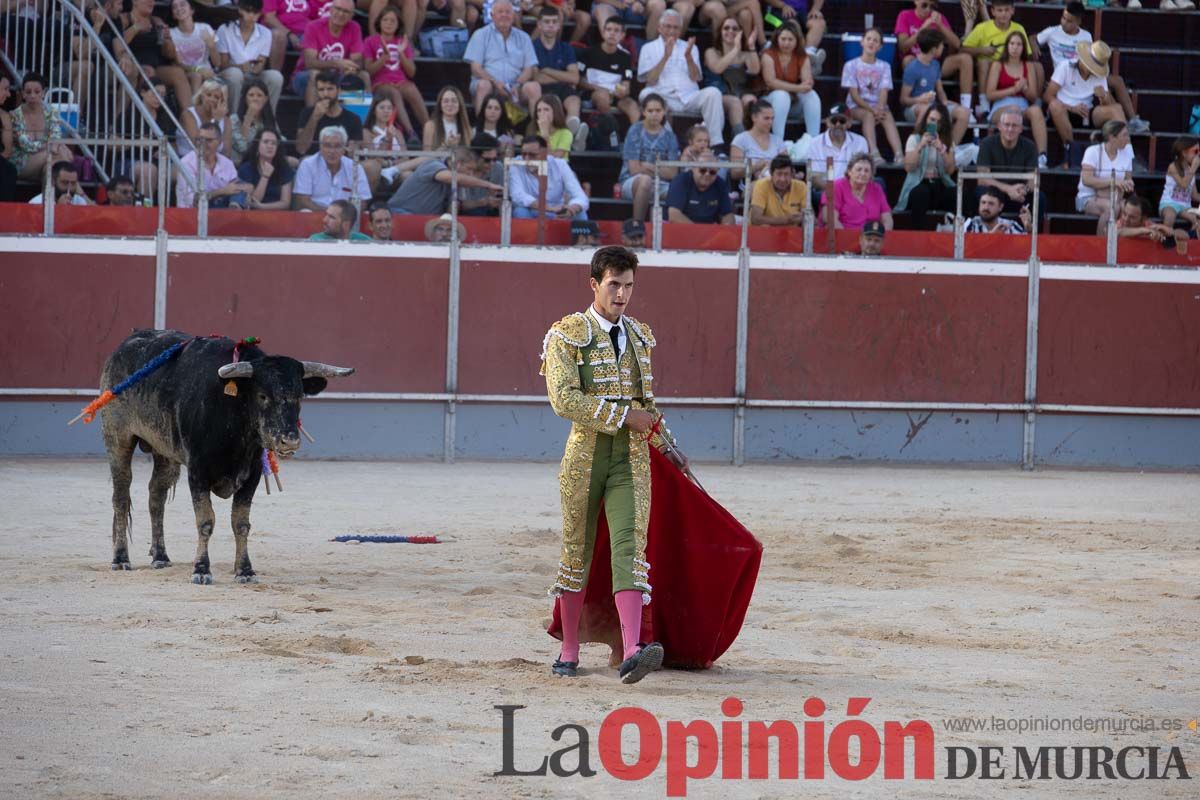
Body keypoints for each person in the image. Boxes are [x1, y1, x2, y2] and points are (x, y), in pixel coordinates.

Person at [540, 244, 685, 683]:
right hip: (585, 457)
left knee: (629, 549)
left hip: (631, 458)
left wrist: (667, 444)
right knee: (576, 551)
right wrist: (624, 416)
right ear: (594, 284)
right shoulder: (567, 334)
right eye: (614, 285)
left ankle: (633, 649)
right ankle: (568, 650)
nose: (621, 294)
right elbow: (563, 400)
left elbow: (648, 404)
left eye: (628, 287)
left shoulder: (641, 336)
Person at [1035, 2, 1148, 134]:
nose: (1064, 22)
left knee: (1116, 89)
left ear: (1078, 21)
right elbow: (1033, 38)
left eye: (1069, 20)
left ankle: (1130, 128)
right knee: (1056, 102)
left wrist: (1104, 97)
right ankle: (1071, 147)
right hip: (1064, 75)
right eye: (1063, 18)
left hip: (1087, 95)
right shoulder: (1053, 32)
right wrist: (1033, 50)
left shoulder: (1086, 36)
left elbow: (1093, 57)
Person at [637, 10, 726, 147]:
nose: (672, 31)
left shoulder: (691, 47)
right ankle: (669, 144)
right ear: (659, 28)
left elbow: (696, 77)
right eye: (668, 26)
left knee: (713, 93)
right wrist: (665, 56)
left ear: (680, 30)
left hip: (689, 97)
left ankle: (716, 145)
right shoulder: (648, 48)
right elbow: (650, 80)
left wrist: (689, 57)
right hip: (663, 97)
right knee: (646, 94)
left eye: (676, 27)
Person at [1045, 40, 1124, 169]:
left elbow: (1107, 105)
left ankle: (1125, 154)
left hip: (1087, 113)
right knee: (1055, 106)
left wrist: (1103, 96)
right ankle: (1071, 152)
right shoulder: (1065, 66)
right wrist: (1072, 108)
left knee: (1116, 109)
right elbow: (1048, 95)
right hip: (1063, 110)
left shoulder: (1099, 74)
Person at [960, 0, 1041, 121]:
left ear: (1012, 11)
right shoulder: (982, 27)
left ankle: (1036, 104)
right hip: (990, 65)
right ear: (992, 11)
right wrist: (982, 50)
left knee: (1037, 67)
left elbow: (1027, 54)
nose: (1003, 14)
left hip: (1012, 65)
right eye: (1000, 10)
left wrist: (1032, 41)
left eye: (1007, 10)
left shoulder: (1018, 28)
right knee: (983, 62)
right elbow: (963, 49)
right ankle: (984, 105)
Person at [895, 0, 973, 114]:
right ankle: (912, 105)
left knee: (965, 58)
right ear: (916, 2)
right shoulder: (905, 15)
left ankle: (967, 107)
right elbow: (903, 47)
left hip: (935, 64)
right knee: (908, 60)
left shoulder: (938, 17)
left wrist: (940, 25)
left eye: (932, 6)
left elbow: (957, 44)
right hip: (916, 64)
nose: (928, 9)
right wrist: (923, 27)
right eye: (924, 5)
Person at [465, 0, 541, 116]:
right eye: (500, 12)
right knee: (484, 85)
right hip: (490, 84)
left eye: (508, 12)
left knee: (534, 87)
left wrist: (517, 84)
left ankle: (537, 129)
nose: (504, 15)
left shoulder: (524, 37)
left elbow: (529, 68)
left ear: (514, 15)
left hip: (516, 87)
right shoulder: (480, 34)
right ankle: (483, 129)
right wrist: (495, 82)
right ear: (492, 15)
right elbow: (476, 68)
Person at [362, 5, 427, 142]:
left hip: (401, 81)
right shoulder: (370, 41)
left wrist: (401, 53)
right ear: (379, 22)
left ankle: (430, 130)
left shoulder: (402, 42)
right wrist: (384, 58)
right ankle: (411, 133)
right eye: (385, 20)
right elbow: (369, 71)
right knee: (393, 93)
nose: (389, 23)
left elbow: (412, 72)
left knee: (412, 89)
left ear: (398, 25)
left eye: (393, 21)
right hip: (380, 83)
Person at [115, 0, 192, 112]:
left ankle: (189, 116)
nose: (151, 2)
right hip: (133, 64)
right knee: (149, 72)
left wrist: (167, 39)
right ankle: (146, 118)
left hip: (156, 64)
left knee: (178, 73)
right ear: (135, 2)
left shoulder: (156, 20)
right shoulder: (124, 18)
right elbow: (117, 42)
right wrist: (136, 28)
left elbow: (169, 54)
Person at [984, 30, 1047, 165]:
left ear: (1023, 48)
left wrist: (1024, 88)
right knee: (1013, 109)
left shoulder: (1028, 65)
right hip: (1000, 108)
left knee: (1036, 110)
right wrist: (1013, 89)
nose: (1015, 47)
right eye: (1012, 43)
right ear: (1007, 45)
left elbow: (1033, 96)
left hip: (1023, 107)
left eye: (1019, 44)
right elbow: (989, 94)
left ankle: (1042, 156)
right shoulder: (998, 65)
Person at [841, 27, 901, 165]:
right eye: (868, 39)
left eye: (876, 41)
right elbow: (854, 95)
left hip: (877, 105)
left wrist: (880, 107)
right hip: (856, 106)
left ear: (880, 47)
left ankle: (899, 154)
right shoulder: (850, 65)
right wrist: (871, 109)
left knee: (887, 114)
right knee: (868, 115)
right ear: (862, 42)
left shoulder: (885, 66)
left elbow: (884, 90)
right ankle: (874, 153)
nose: (871, 42)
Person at [900, 28, 970, 146]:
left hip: (934, 105)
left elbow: (940, 89)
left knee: (964, 113)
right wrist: (919, 100)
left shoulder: (935, 64)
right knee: (925, 109)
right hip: (914, 108)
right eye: (942, 45)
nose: (943, 48)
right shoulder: (912, 68)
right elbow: (903, 99)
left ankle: (949, 148)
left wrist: (945, 101)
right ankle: (917, 148)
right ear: (934, 49)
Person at [894, 102, 957, 231]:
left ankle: (961, 234)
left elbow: (950, 170)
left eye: (939, 122)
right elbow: (908, 167)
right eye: (932, 119)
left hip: (940, 184)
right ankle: (918, 235)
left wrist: (941, 149)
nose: (934, 124)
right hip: (919, 183)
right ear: (926, 119)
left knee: (958, 194)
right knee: (921, 193)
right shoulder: (914, 138)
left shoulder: (947, 141)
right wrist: (920, 146)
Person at [294, 0, 369, 107]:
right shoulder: (313, 26)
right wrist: (336, 63)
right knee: (316, 74)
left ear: (352, 15)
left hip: (338, 76)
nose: (341, 14)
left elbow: (357, 60)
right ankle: (312, 118)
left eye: (346, 11)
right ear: (330, 9)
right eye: (338, 9)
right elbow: (309, 63)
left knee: (363, 75)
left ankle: (358, 121)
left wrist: (352, 68)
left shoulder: (354, 28)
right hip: (305, 77)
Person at [619, 94, 681, 221]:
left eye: (658, 110)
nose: (654, 114)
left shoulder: (670, 137)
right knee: (645, 181)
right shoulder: (635, 131)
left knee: (681, 192)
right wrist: (659, 169)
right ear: (643, 112)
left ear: (664, 111)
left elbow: (673, 173)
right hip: (632, 182)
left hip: (661, 184)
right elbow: (634, 169)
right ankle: (637, 226)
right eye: (650, 111)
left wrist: (649, 166)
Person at [975, 106, 1044, 221]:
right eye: (1006, 125)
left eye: (1014, 125)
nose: (1010, 129)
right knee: (981, 192)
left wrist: (1024, 190)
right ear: (999, 126)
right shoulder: (987, 144)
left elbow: (1034, 180)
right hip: (996, 192)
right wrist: (1008, 189)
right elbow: (982, 179)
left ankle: (1031, 234)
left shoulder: (1030, 146)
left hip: (1019, 194)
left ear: (1021, 129)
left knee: (1040, 198)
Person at [217, 0, 285, 114]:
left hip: (252, 75)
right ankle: (234, 118)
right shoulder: (225, 29)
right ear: (240, 10)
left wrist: (256, 68)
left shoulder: (266, 33)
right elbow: (222, 65)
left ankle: (268, 119)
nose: (252, 16)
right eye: (248, 11)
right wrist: (241, 67)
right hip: (229, 74)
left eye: (256, 13)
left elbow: (261, 63)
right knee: (235, 73)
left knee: (276, 76)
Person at [388, 146, 500, 214]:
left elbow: (458, 206)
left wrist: (484, 202)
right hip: (400, 214)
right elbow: (453, 177)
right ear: (458, 164)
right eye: (469, 169)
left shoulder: (453, 182)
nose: (471, 174)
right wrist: (488, 185)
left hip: (422, 220)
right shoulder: (434, 164)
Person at [760, 20, 821, 142]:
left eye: (790, 39)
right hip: (768, 101)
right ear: (777, 39)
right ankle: (778, 142)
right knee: (781, 95)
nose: (786, 43)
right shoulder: (768, 54)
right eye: (783, 39)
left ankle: (813, 142)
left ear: (797, 40)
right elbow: (770, 82)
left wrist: (808, 83)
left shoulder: (802, 56)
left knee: (811, 95)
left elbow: (807, 82)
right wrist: (798, 88)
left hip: (792, 102)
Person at [532, 6, 585, 142]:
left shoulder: (566, 48)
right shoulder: (532, 46)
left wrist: (548, 71)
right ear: (539, 24)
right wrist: (563, 76)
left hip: (562, 88)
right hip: (542, 90)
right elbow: (536, 77)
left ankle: (571, 131)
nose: (551, 25)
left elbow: (575, 78)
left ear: (559, 25)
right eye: (547, 22)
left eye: (554, 22)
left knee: (574, 100)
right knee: (551, 102)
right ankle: (572, 139)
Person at [9, 73, 74, 182]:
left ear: (43, 93)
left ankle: (52, 198)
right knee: (59, 155)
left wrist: (55, 145)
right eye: (28, 92)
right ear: (23, 94)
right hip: (22, 164)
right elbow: (27, 146)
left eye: (37, 91)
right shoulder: (15, 115)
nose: (32, 95)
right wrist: (52, 146)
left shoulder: (51, 112)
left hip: (47, 161)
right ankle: (82, 196)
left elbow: (56, 137)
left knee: (51, 168)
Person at [703, 16, 759, 138]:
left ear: (740, 32)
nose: (730, 31)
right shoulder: (711, 52)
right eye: (726, 28)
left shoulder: (744, 55)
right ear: (720, 32)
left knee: (751, 100)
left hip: (740, 92)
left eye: (735, 28)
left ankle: (754, 139)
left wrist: (751, 46)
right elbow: (718, 68)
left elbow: (755, 70)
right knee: (735, 102)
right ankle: (740, 139)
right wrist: (735, 49)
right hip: (718, 94)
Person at [1076, 119, 1135, 234]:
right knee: (1112, 208)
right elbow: (1086, 179)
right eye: (1124, 135)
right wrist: (1113, 182)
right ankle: (1102, 244)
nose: (1128, 139)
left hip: (1115, 196)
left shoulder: (1127, 152)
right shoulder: (1093, 151)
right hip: (1089, 197)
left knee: (1130, 210)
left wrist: (1129, 184)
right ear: (1112, 137)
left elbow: (1128, 179)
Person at [579, 16, 640, 129]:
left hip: (615, 95)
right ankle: (610, 132)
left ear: (622, 35)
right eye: (609, 29)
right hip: (593, 93)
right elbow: (579, 80)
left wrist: (623, 92)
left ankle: (635, 140)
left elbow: (626, 85)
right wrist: (600, 89)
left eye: (616, 31)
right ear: (603, 32)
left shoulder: (626, 57)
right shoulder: (588, 52)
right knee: (603, 97)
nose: (612, 33)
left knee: (632, 105)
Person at [293, 125, 373, 211]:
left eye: (337, 146)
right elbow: (303, 201)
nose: (332, 151)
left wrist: (342, 216)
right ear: (320, 147)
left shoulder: (355, 167)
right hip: (315, 213)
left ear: (344, 148)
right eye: (327, 145)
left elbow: (363, 201)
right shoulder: (308, 164)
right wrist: (331, 215)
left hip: (345, 218)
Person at [509, 135, 590, 219]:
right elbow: (517, 195)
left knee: (580, 213)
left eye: (532, 155)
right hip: (533, 210)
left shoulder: (560, 164)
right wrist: (549, 208)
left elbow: (580, 196)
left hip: (558, 211)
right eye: (524, 154)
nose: (526, 159)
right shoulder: (516, 164)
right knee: (520, 211)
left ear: (545, 153)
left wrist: (571, 210)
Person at [177, 122, 252, 208]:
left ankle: (234, 210)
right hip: (193, 213)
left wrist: (245, 188)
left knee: (240, 187)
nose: (203, 144)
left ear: (220, 142)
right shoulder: (186, 162)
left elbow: (235, 187)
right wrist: (222, 191)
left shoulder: (227, 163)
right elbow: (195, 200)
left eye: (209, 140)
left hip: (221, 210)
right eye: (200, 139)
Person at [295, 70, 365, 155]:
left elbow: (353, 153)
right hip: (313, 163)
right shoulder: (307, 113)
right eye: (321, 90)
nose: (325, 94)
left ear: (338, 90)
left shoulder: (354, 119)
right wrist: (314, 118)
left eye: (330, 89)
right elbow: (301, 149)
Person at [819, 152, 894, 230]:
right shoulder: (836, 187)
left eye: (866, 171)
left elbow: (887, 220)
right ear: (849, 171)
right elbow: (830, 219)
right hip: (842, 235)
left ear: (871, 174)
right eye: (859, 169)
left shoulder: (877, 189)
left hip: (871, 238)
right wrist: (847, 238)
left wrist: (881, 237)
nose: (862, 173)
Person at [805, 104, 868, 193]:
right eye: (834, 121)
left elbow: (862, 173)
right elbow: (815, 178)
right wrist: (837, 191)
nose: (838, 124)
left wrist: (846, 193)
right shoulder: (815, 143)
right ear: (827, 122)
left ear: (849, 123)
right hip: (826, 191)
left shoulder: (860, 142)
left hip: (852, 191)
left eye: (842, 121)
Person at [666, 153, 735, 224]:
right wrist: (699, 232)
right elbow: (674, 215)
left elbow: (727, 214)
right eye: (703, 170)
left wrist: (725, 229)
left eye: (712, 172)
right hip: (681, 230)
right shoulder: (681, 181)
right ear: (693, 168)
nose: (707, 174)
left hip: (709, 230)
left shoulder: (720, 184)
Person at [729, 100, 785, 184]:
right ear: (754, 117)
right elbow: (734, 173)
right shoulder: (741, 139)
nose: (770, 122)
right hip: (751, 185)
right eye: (766, 118)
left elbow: (786, 166)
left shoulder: (778, 141)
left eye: (772, 118)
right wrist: (756, 167)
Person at [762, 0, 827, 71]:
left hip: (802, 12)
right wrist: (783, 6)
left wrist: (815, 9)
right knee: (792, 26)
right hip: (776, 12)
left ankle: (809, 54)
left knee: (819, 23)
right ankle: (805, 64)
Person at [238, 128, 295, 209]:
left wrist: (263, 207)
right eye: (266, 142)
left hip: (278, 215)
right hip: (252, 215)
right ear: (257, 145)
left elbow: (285, 203)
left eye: (274, 143)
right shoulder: (246, 168)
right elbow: (253, 202)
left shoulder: (284, 168)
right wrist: (265, 177)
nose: (270, 146)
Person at [179, 80, 234, 160]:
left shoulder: (226, 121)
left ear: (222, 101)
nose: (211, 99)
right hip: (187, 162)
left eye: (216, 97)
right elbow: (200, 145)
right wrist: (216, 121)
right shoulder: (188, 115)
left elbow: (226, 153)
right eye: (208, 95)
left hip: (214, 164)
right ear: (202, 95)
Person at [231, 78, 281, 163]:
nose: (255, 99)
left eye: (259, 95)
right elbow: (242, 148)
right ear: (245, 98)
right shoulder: (234, 119)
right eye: (251, 95)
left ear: (265, 99)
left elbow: (279, 144)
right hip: (243, 163)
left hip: (267, 162)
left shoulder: (270, 120)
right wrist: (248, 117)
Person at [749, 154, 808, 226]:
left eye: (786, 174)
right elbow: (756, 219)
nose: (782, 179)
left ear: (792, 174)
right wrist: (787, 220)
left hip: (791, 234)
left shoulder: (801, 187)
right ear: (771, 173)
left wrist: (803, 218)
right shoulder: (761, 185)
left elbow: (808, 217)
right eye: (779, 174)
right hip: (765, 234)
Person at [1158, 136, 1200, 231]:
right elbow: (1183, 184)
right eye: (1196, 151)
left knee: (1197, 219)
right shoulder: (1173, 166)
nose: (1198, 154)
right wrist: (1193, 168)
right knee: (1169, 217)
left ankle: (1191, 240)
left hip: (1185, 206)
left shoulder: (1191, 171)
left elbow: (1194, 195)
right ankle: (1166, 240)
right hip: (1169, 203)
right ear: (1184, 153)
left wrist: (1192, 169)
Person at [264, 0, 317, 71]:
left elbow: (314, 15)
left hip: (304, 32)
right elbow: (269, 18)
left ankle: (305, 77)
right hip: (282, 31)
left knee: (315, 38)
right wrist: (290, 34)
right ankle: (275, 76)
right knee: (278, 35)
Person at [459, 133, 504, 217]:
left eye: (495, 159)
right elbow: (460, 206)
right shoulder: (463, 169)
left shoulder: (498, 168)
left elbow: (501, 202)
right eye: (487, 160)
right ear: (474, 156)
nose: (492, 163)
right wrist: (483, 202)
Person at [423, 86, 474, 150]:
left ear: (460, 104)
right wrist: (447, 145)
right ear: (440, 105)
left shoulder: (467, 128)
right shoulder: (430, 125)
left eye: (454, 101)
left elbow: (469, 155)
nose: (450, 104)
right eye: (446, 101)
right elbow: (426, 156)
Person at [528, 96, 575, 161]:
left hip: (558, 170)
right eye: (539, 110)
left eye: (546, 109)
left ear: (555, 111)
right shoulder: (534, 132)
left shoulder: (566, 133)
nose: (542, 113)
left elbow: (555, 160)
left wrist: (545, 135)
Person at [965, 186, 1031, 233]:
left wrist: (1028, 229)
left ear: (1000, 207)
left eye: (991, 204)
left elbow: (1025, 248)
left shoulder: (1011, 225)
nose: (986, 207)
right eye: (983, 202)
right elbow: (964, 249)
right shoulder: (971, 224)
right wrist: (993, 236)